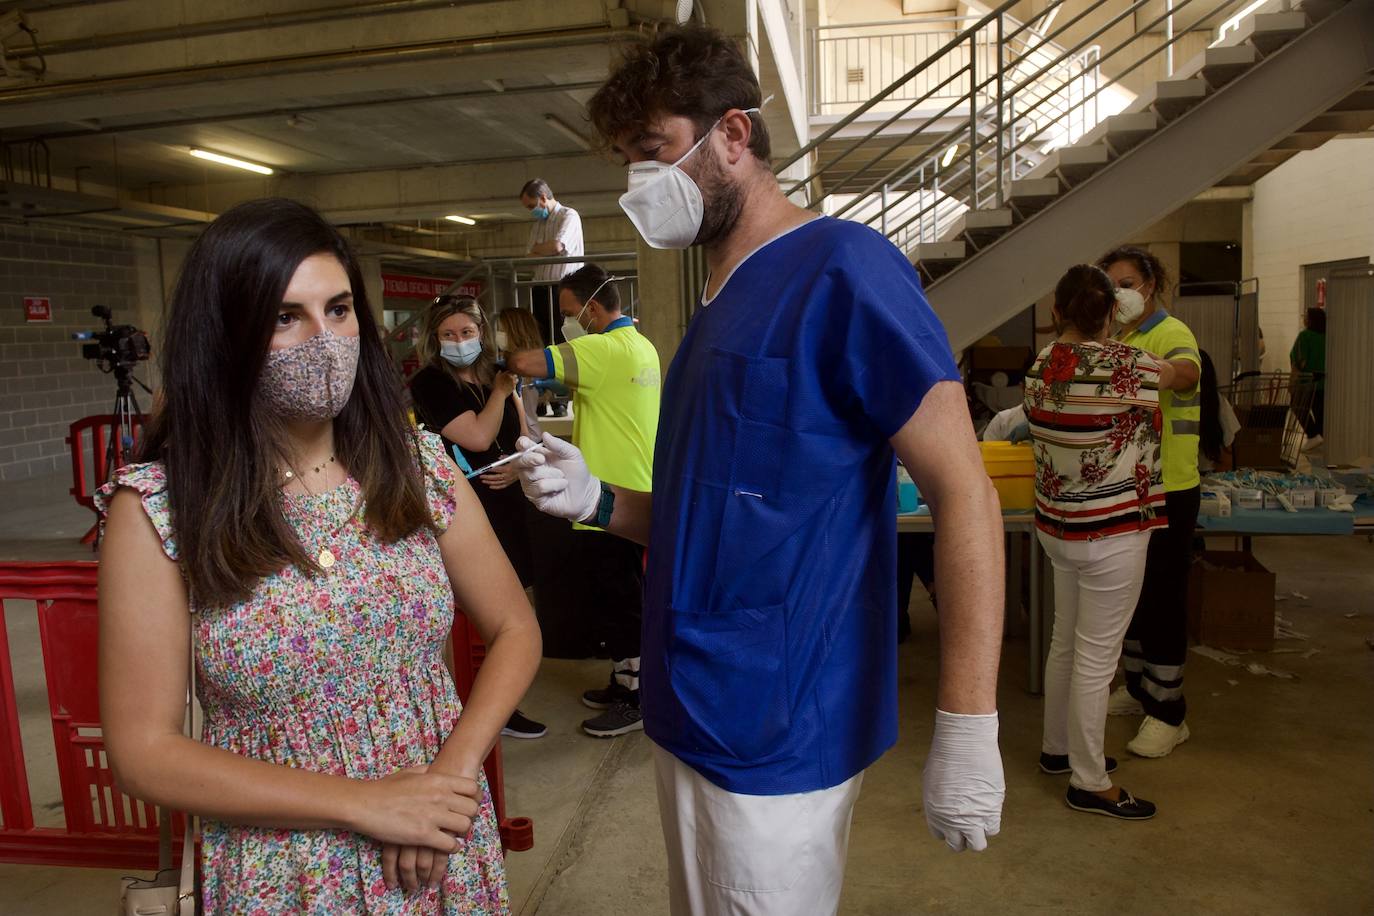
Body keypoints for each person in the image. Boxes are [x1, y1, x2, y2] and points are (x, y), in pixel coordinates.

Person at [515, 26, 1005, 916]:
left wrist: (969, 719)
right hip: (689, 701)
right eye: (628, 161)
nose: (640, 186)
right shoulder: (712, 308)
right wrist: (596, 499)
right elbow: (715, 516)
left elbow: (962, 489)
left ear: (733, 136)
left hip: (783, 717)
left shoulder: (843, 271)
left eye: (655, 152)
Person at [96, 198, 541, 912]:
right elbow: (144, 751)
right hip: (286, 867)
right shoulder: (158, 508)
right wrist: (365, 805)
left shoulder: (417, 467)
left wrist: (447, 779)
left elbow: (516, 629)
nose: (324, 339)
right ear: (227, 334)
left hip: (437, 843)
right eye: (284, 317)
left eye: (338, 310)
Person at [1027, 265, 1176, 820]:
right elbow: (1183, 377)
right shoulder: (1132, 365)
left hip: (1058, 527)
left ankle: (1057, 749)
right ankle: (1089, 781)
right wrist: (1123, 319)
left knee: (1066, 640)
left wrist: (1107, 316)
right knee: (1097, 658)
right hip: (1112, 530)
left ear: (1055, 313)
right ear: (1112, 313)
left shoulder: (1041, 366)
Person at [505, 264, 660, 738]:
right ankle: (623, 678)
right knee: (618, 596)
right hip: (635, 486)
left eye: (571, 315)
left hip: (609, 498)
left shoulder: (602, 347)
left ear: (593, 309)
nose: (569, 326)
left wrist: (506, 343)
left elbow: (527, 364)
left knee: (623, 599)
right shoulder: (641, 345)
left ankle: (638, 698)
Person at [409, 295, 547, 740]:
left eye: (467, 333)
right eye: (449, 335)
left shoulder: (494, 374)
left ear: (481, 333)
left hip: (508, 502)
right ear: (435, 340)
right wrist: (502, 393)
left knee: (513, 604)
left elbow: (523, 435)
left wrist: (519, 465)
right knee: (469, 612)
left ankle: (503, 704)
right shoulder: (430, 383)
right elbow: (477, 435)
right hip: (465, 509)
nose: (459, 342)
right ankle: (464, 705)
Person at [1099, 245, 1201, 758]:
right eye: (1111, 284)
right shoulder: (1120, 335)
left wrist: (1152, 370)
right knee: (1132, 595)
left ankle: (1169, 711)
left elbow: (1187, 373)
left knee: (1163, 598)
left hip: (1171, 488)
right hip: (1133, 487)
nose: (1121, 293)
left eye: (1127, 283)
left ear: (1149, 286)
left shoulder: (1170, 333)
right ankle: (1140, 688)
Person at [493, 307, 547, 439]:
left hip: (523, 438)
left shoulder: (514, 367)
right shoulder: (538, 365)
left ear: (515, 332)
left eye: (501, 330)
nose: (497, 334)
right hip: (531, 436)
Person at [520, 178, 583, 284]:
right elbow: (529, 258)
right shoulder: (537, 225)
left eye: (532, 206)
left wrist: (537, 248)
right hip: (540, 286)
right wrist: (550, 251)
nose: (531, 211)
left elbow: (557, 246)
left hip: (565, 286)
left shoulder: (569, 215)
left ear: (543, 198)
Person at [1198, 349, 1240, 474]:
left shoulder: (1217, 402)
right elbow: (1228, 451)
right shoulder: (1218, 401)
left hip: (1181, 478)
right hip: (1210, 474)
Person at [1290, 307, 1326, 448]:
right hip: (1323, 382)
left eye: (1305, 316)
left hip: (1307, 381)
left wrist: (1292, 382)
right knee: (1319, 412)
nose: (1303, 318)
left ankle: (1312, 434)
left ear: (1311, 320)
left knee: (1297, 405)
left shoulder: (1305, 336)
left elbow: (1300, 362)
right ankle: (1320, 437)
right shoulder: (1326, 336)